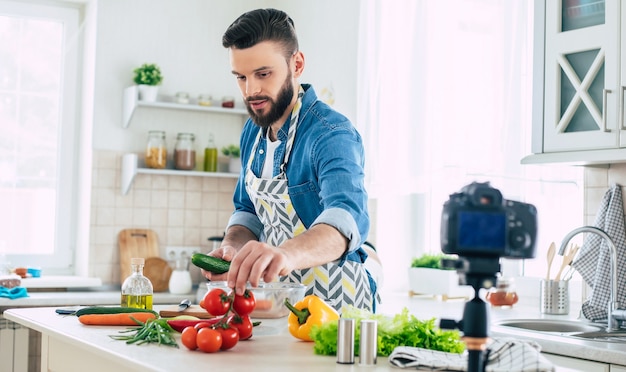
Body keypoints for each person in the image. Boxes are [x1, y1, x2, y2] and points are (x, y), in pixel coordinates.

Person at [203, 8, 380, 313]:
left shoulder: (330, 133)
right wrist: (234, 247)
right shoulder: (252, 132)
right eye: (241, 77)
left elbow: (345, 219)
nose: (251, 90)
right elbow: (248, 212)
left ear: (296, 64)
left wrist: (284, 255)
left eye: (263, 74)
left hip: (338, 307)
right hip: (279, 304)